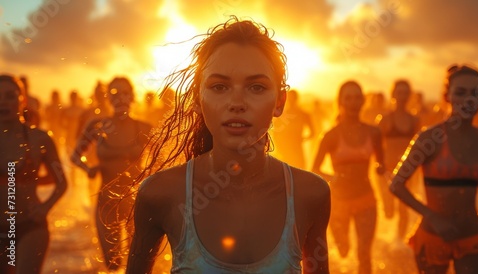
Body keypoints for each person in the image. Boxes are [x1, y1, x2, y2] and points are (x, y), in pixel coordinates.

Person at [126, 17, 330, 274]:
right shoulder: (160, 194)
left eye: (256, 87)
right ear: (198, 99)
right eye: (219, 86)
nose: (237, 102)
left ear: (280, 102)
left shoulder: (310, 194)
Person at [390, 64, 478, 274]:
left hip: (472, 234)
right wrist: (432, 217)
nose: (469, 99)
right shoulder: (429, 138)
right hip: (433, 235)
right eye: (460, 92)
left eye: (475, 93)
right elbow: (396, 184)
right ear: (446, 96)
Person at [71, 77, 152, 271]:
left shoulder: (144, 128)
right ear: (108, 98)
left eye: (125, 93)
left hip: (137, 203)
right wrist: (88, 169)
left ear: (132, 97)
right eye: (115, 93)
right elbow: (75, 156)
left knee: (138, 264)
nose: (121, 98)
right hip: (106, 202)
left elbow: (163, 162)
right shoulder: (97, 125)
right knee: (112, 263)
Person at [312, 80, 392, 274]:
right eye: (348, 98)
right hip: (338, 202)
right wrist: (333, 178)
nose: (353, 102)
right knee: (343, 249)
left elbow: (380, 165)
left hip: (366, 199)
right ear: (340, 101)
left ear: (363, 101)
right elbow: (314, 169)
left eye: (357, 97)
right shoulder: (330, 135)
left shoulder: (373, 132)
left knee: (364, 252)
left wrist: (386, 173)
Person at [0, 74, 68, 274]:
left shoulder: (40, 139)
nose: (3, 101)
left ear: (23, 100)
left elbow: (62, 183)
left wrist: (45, 208)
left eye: (10, 96)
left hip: (31, 226)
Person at [378, 79, 420, 241]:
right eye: (399, 92)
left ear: (410, 96)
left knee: (404, 207)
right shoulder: (385, 119)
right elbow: (376, 145)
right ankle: (385, 236)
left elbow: (419, 147)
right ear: (393, 94)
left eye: (405, 93)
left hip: (407, 170)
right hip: (388, 170)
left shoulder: (414, 120)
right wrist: (378, 165)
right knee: (389, 211)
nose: (402, 97)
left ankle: (399, 241)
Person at [272, 89, 315, 170]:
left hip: (294, 147)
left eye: (292, 98)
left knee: (298, 171)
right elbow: (275, 132)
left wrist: (302, 138)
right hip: (286, 148)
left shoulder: (301, 114)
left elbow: (312, 132)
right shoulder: (283, 115)